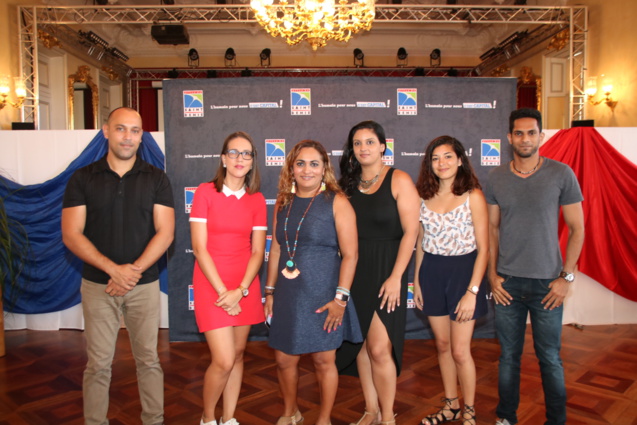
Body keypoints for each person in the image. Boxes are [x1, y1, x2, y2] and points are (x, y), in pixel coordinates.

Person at [61, 107, 175, 425]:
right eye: (121, 129)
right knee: (97, 364)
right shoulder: (82, 178)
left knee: (149, 360)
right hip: (98, 286)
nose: (128, 137)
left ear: (142, 136)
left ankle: (154, 420)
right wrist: (113, 269)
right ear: (106, 131)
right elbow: (71, 234)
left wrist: (131, 271)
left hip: (145, 285)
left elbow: (166, 233)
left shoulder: (157, 178)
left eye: (135, 131)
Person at [485, 108, 585, 425]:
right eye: (519, 133)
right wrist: (492, 275)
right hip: (508, 286)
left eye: (531, 133)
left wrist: (566, 277)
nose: (525, 138)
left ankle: (556, 420)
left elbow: (578, 228)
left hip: (547, 286)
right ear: (509, 137)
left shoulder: (561, 174)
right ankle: (505, 418)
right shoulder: (496, 177)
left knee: (550, 359)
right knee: (508, 358)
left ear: (541, 136)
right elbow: (491, 230)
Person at [264, 140, 362, 425]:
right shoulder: (283, 201)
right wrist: (269, 291)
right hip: (288, 294)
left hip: (324, 296)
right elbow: (277, 249)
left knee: (323, 361)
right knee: (284, 360)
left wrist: (340, 300)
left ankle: (324, 418)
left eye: (314, 164)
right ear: (291, 168)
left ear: (324, 169)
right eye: (301, 163)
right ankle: (290, 412)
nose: (307, 170)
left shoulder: (337, 202)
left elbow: (351, 255)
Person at [336, 121, 420, 425]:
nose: (363, 148)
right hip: (355, 269)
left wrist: (397, 276)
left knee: (381, 347)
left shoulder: (399, 179)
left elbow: (411, 233)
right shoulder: (346, 185)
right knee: (361, 344)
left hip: (388, 269)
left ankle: (388, 417)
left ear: (383, 146)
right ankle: (370, 410)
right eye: (357, 143)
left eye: (370, 142)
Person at [189, 132, 267, 425]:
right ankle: (208, 418)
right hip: (213, 284)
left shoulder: (256, 199)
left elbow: (258, 250)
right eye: (234, 153)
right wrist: (226, 292)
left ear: (252, 162)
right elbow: (199, 248)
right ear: (223, 159)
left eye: (246, 154)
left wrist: (241, 290)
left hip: (244, 283)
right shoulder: (205, 192)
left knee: (237, 354)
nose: (240, 159)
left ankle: (229, 417)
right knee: (222, 360)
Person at [413, 136, 489, 425]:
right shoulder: (423, 196)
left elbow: (484, 249)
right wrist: (418, 282)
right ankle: (450, 406)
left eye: (447, 156)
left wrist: (472, 291)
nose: (441, 163)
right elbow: (421, 243)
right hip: (432, 272)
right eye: (435, 158)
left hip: (463, 274)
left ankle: (469, 409)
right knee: (443, 345)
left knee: (460, 350)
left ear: (460, 160)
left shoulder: (474, 196)